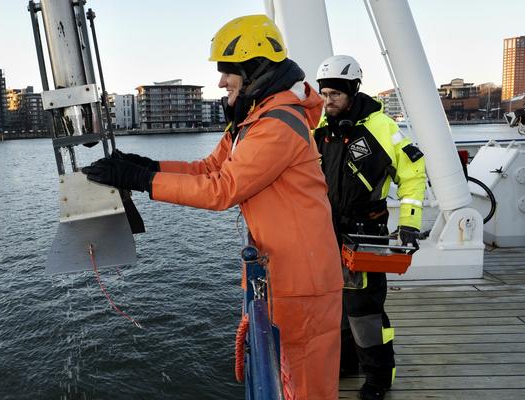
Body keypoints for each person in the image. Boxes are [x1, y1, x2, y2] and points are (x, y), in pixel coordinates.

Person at [83, 15, 342, 400]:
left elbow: (221, 189)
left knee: (304, 390)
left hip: (301, 282)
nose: (221, 82)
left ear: (254, 70)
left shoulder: (276, 125)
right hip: (283, 273)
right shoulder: (253, 122)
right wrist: (145, 165)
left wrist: (139, 181)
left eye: (227, 72)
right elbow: (208, 168)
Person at [313, 55, 426, 400]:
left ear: (353, 90)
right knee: (337, 303)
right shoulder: (319, 126)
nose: (327, 102)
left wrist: (409, 223)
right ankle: (348, 363)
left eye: (334, 94)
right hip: (326, 231)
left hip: (366, 232)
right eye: (324, 94)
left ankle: (378, 379)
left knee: (364, 309)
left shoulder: (381, 127)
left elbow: (413, 174)